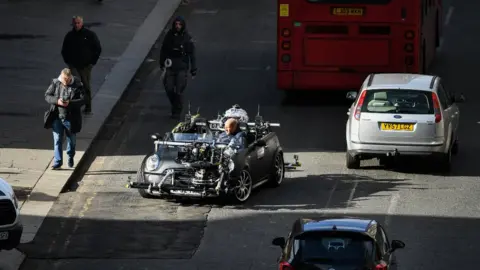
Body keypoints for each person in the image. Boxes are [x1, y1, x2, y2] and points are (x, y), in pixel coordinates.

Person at [44, 68, 85, 169]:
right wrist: (57, 101)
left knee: (71, 141)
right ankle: (58, 162)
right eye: (63, 79)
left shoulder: (78, 85)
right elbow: (47, 96)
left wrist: (70, 103)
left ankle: (70, 156)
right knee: (57, 139)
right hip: (57, 116)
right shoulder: (55, 83)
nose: (65, 82)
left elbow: (83, 100)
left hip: (70, 118)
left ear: (70, 77)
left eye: (67, 80)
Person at [61, 15, 102, 114]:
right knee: (75, 84)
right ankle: (75, 106)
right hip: (74, 65)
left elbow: (97, 48)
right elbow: (64, 49)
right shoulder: (70, 35)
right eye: (75, 23)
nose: (76, 25)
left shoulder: (89, 35)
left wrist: (92, 62)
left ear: (82, 23)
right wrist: (68, 61)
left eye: (78, 23)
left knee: (86, 84)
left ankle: (88, 106)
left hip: (85, 66)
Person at [159, 16, 197, 119]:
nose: (178, 26)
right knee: (169, 88)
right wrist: (162, 63)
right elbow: (164, 50)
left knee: (178, 89)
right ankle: (175, 105)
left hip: (182, 67)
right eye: (176, 24)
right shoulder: (169, 36)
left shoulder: (187, 38)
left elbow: (191, 54)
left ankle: (177, 110)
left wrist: (193, 69)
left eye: (180, 24)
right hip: (170, 66)